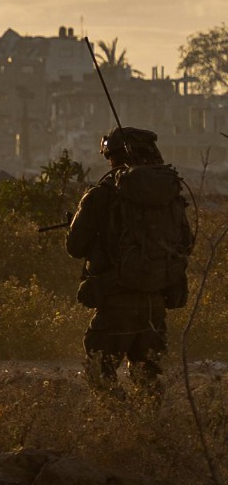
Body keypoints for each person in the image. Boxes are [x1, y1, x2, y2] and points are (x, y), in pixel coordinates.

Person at [66, 126, 193, 394]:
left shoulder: (102, 194)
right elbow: (186, 243)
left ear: (112, 156)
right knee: (147, 377)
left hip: (116, 300)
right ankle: (150, 430)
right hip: (156, 302)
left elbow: (75, 247)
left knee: (99, 372)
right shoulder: (169, 195)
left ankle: (120, 428)